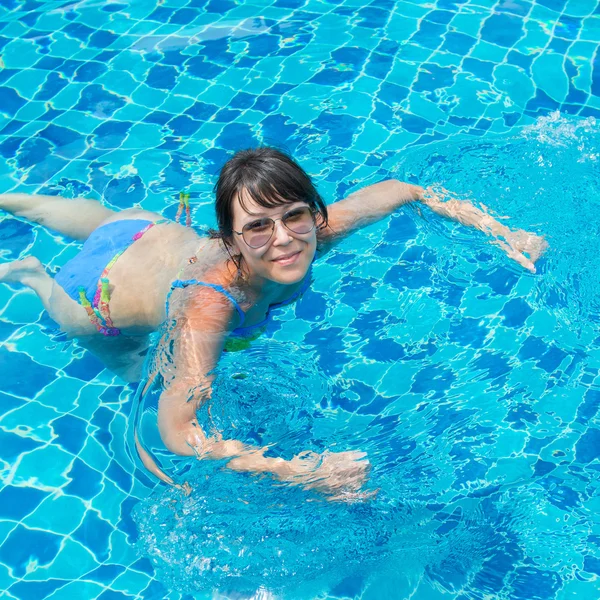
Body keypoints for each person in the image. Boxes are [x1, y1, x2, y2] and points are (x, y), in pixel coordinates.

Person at [0, 147, 547, 496]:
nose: (284, 238)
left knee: (105, 224)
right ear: (232, 237)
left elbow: (403, 191)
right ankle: (31, 277)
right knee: (124, 362)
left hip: (140, 233)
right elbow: (177, 431)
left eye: (295, 215)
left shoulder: (312, 233)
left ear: (314, 212)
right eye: (258, 227)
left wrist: (503, 232)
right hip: (95, 300)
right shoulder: (209, 306)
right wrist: (297, 471)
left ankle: (11, 200)